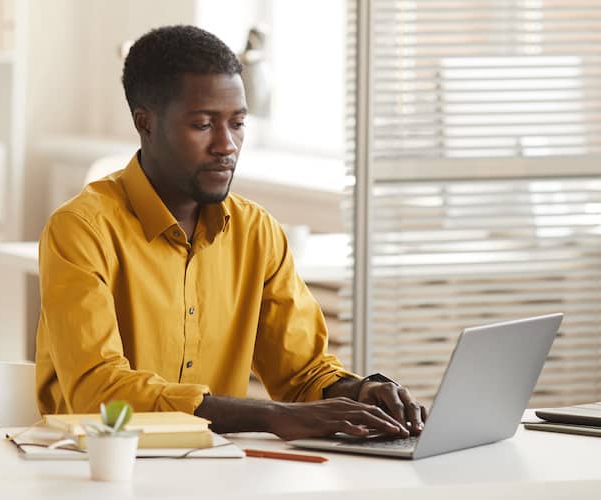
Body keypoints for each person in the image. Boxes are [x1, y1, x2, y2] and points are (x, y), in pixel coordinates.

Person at [34, 25, 424, 441]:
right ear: (145, 123)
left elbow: (302, 373)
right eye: (203, 125)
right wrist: (271, 416)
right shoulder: (80, 230)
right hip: (94, 467)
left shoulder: (257, 233)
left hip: (216, 467)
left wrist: (361, 391)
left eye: (237, 123)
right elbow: (100, 393)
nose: (227, 145)